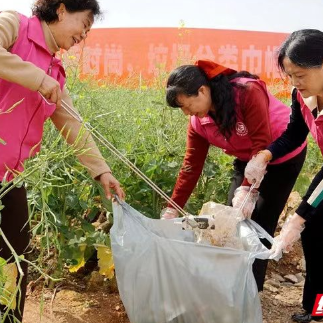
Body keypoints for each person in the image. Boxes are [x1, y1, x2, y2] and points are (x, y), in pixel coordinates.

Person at [0, 1, 125, 322]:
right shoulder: (14, 26)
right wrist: (35, 78)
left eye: (88, 30)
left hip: (10, 177)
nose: (83, 34)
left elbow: (73, 124)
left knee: (15, 257)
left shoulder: (55, 70)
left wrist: (102, 171)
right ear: (60, 9)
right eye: (83, 24)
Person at [162, 59, 307, 292]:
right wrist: (172, 207)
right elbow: (191, 166)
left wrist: (249, 190)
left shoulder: (247, 92)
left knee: (259, 221)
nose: (187, 113)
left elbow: (261, 142)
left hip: (281, 157)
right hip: (247, 160)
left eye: (187, 105)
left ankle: (249, 292)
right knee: (231, 219)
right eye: (183, 109)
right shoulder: (198, 122)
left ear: (202, 90)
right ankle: (228, 286)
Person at [244, 29, 323, 323]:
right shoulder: (302, 96)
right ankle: (317, 309)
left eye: (300, 74)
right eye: (290, 75)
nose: (295, 82)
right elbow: (293, 134)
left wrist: (298, 216)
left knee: (308, 220)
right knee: (315, 236)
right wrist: (265, 155)